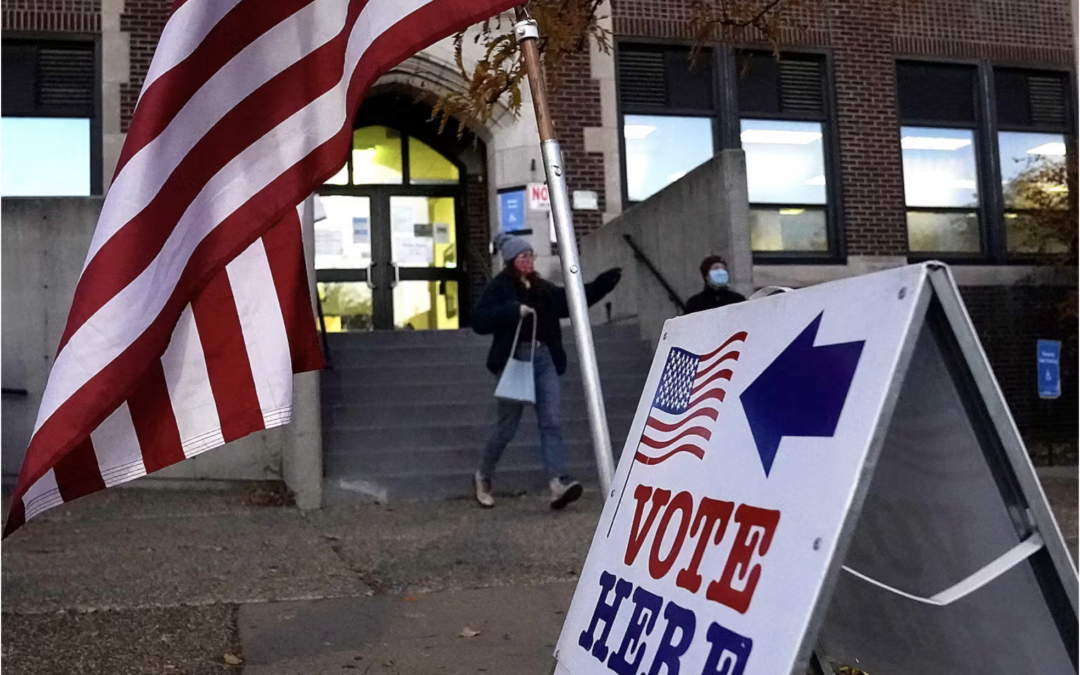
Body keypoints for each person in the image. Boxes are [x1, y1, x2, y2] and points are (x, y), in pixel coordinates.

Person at [472, 233, 622, 510]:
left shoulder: (542, 287)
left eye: (530, 255)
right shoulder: (500, 287)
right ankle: (483, 476)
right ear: (511, 261)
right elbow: (479, 320)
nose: (528, 260)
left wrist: (602, 285)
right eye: (522, 257)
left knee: (551, 421)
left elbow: (569, 302)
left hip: (544, 358)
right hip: (516, 360)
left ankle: (557, 483)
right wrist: (513, 310)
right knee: (507, 427)